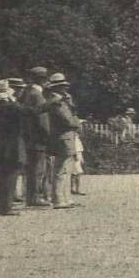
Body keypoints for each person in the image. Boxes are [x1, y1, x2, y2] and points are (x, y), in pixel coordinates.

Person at [0, 79, 28, 216]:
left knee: (2, 176)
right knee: (11, 176)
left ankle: (1, 206)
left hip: (1, 145)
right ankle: (6, 206)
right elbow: (26, 115)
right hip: (14, 145)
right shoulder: (13, 108)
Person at [44, 73, 81, 209]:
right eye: (62, 87)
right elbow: (67, 120)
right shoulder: (56, 102)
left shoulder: (62, 101)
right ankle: (58, 199)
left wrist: (70, 104)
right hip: (63, 136)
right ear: (57, 88)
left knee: (66, 168)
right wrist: (77, 122)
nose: (65, 89)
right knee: (61, 169)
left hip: (65, 136)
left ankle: (65, 198)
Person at [19, 67, 52, 207]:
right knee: (37, 169)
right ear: (42, 80)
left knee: (31, 168)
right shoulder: (37, 95)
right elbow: (42, 119)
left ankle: (30, 196)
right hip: (38, 137)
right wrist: (47, 134)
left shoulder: (26, 92)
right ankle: (34, 197)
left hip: (28, 135)